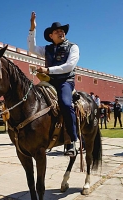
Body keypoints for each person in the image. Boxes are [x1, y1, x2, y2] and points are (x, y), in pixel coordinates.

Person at [28, 12, 79, 156]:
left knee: (65, 104)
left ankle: (71, 141)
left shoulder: (73, 47)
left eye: (62, 30)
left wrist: (48, 69)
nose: (61, 32)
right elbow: (32, 49)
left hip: (65, 82)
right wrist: (32, 29)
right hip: (48, 82)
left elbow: (69, 66)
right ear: (51, 36)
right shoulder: (47, 49)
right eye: (57, 31)